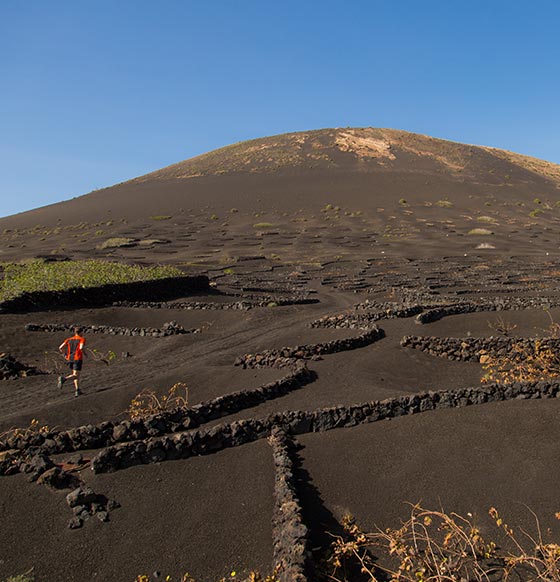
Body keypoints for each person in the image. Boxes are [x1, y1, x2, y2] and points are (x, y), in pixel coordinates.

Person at [58, 327, 86, 397]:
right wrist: (85, 353)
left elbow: (60, 347)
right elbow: (81, 347)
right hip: (77, 358)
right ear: (80, 332)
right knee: (76, 375)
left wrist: (65, 355)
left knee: (75, 374)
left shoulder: (69, 339)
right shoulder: (81, 339)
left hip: (70, 359)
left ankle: (77, 390)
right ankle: (64, 379)